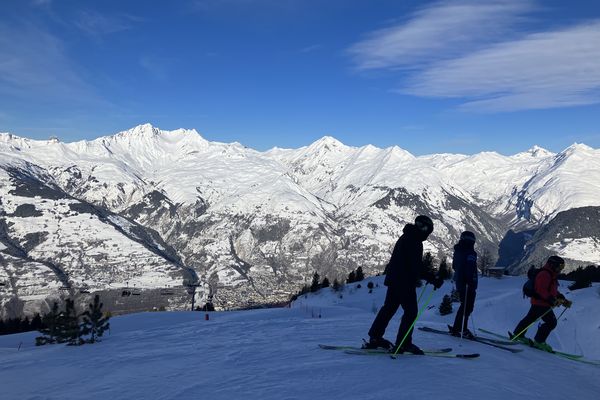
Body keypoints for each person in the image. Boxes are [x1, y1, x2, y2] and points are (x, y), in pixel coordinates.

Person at [366, 215, 444, 355]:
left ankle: (375, 337)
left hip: (395, 279)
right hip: (404, 282)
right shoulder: (414, 240)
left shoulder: (407, 236)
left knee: (389, 308)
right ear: (424, 228)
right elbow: (415, 266)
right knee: (411, 312)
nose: (427, 234)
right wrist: (432, 278)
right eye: (428, 231)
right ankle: (404, 343)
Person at [511, 255, 572, 352]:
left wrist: (561, 298)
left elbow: (552, 290)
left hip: (540, 302)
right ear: (553, 265)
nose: (560, 269)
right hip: (541, 303)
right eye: (559, 266)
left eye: (562, 267)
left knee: (530, 318)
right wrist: (553, 300)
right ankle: (539, 341)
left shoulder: (551, 274)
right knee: (551, 322)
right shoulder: (545, 274)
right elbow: (541, 290)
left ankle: (518, 334)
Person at [449, 231, 478, 339]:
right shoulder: (470, 252)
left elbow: (454, 266)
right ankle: (462, 329)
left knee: (464, 306)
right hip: (468, 283)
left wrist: (461, 277)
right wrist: (469, 280)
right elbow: (470, 268)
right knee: (467, 307)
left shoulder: (458, 251)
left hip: (460, 283)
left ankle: (457, 327)